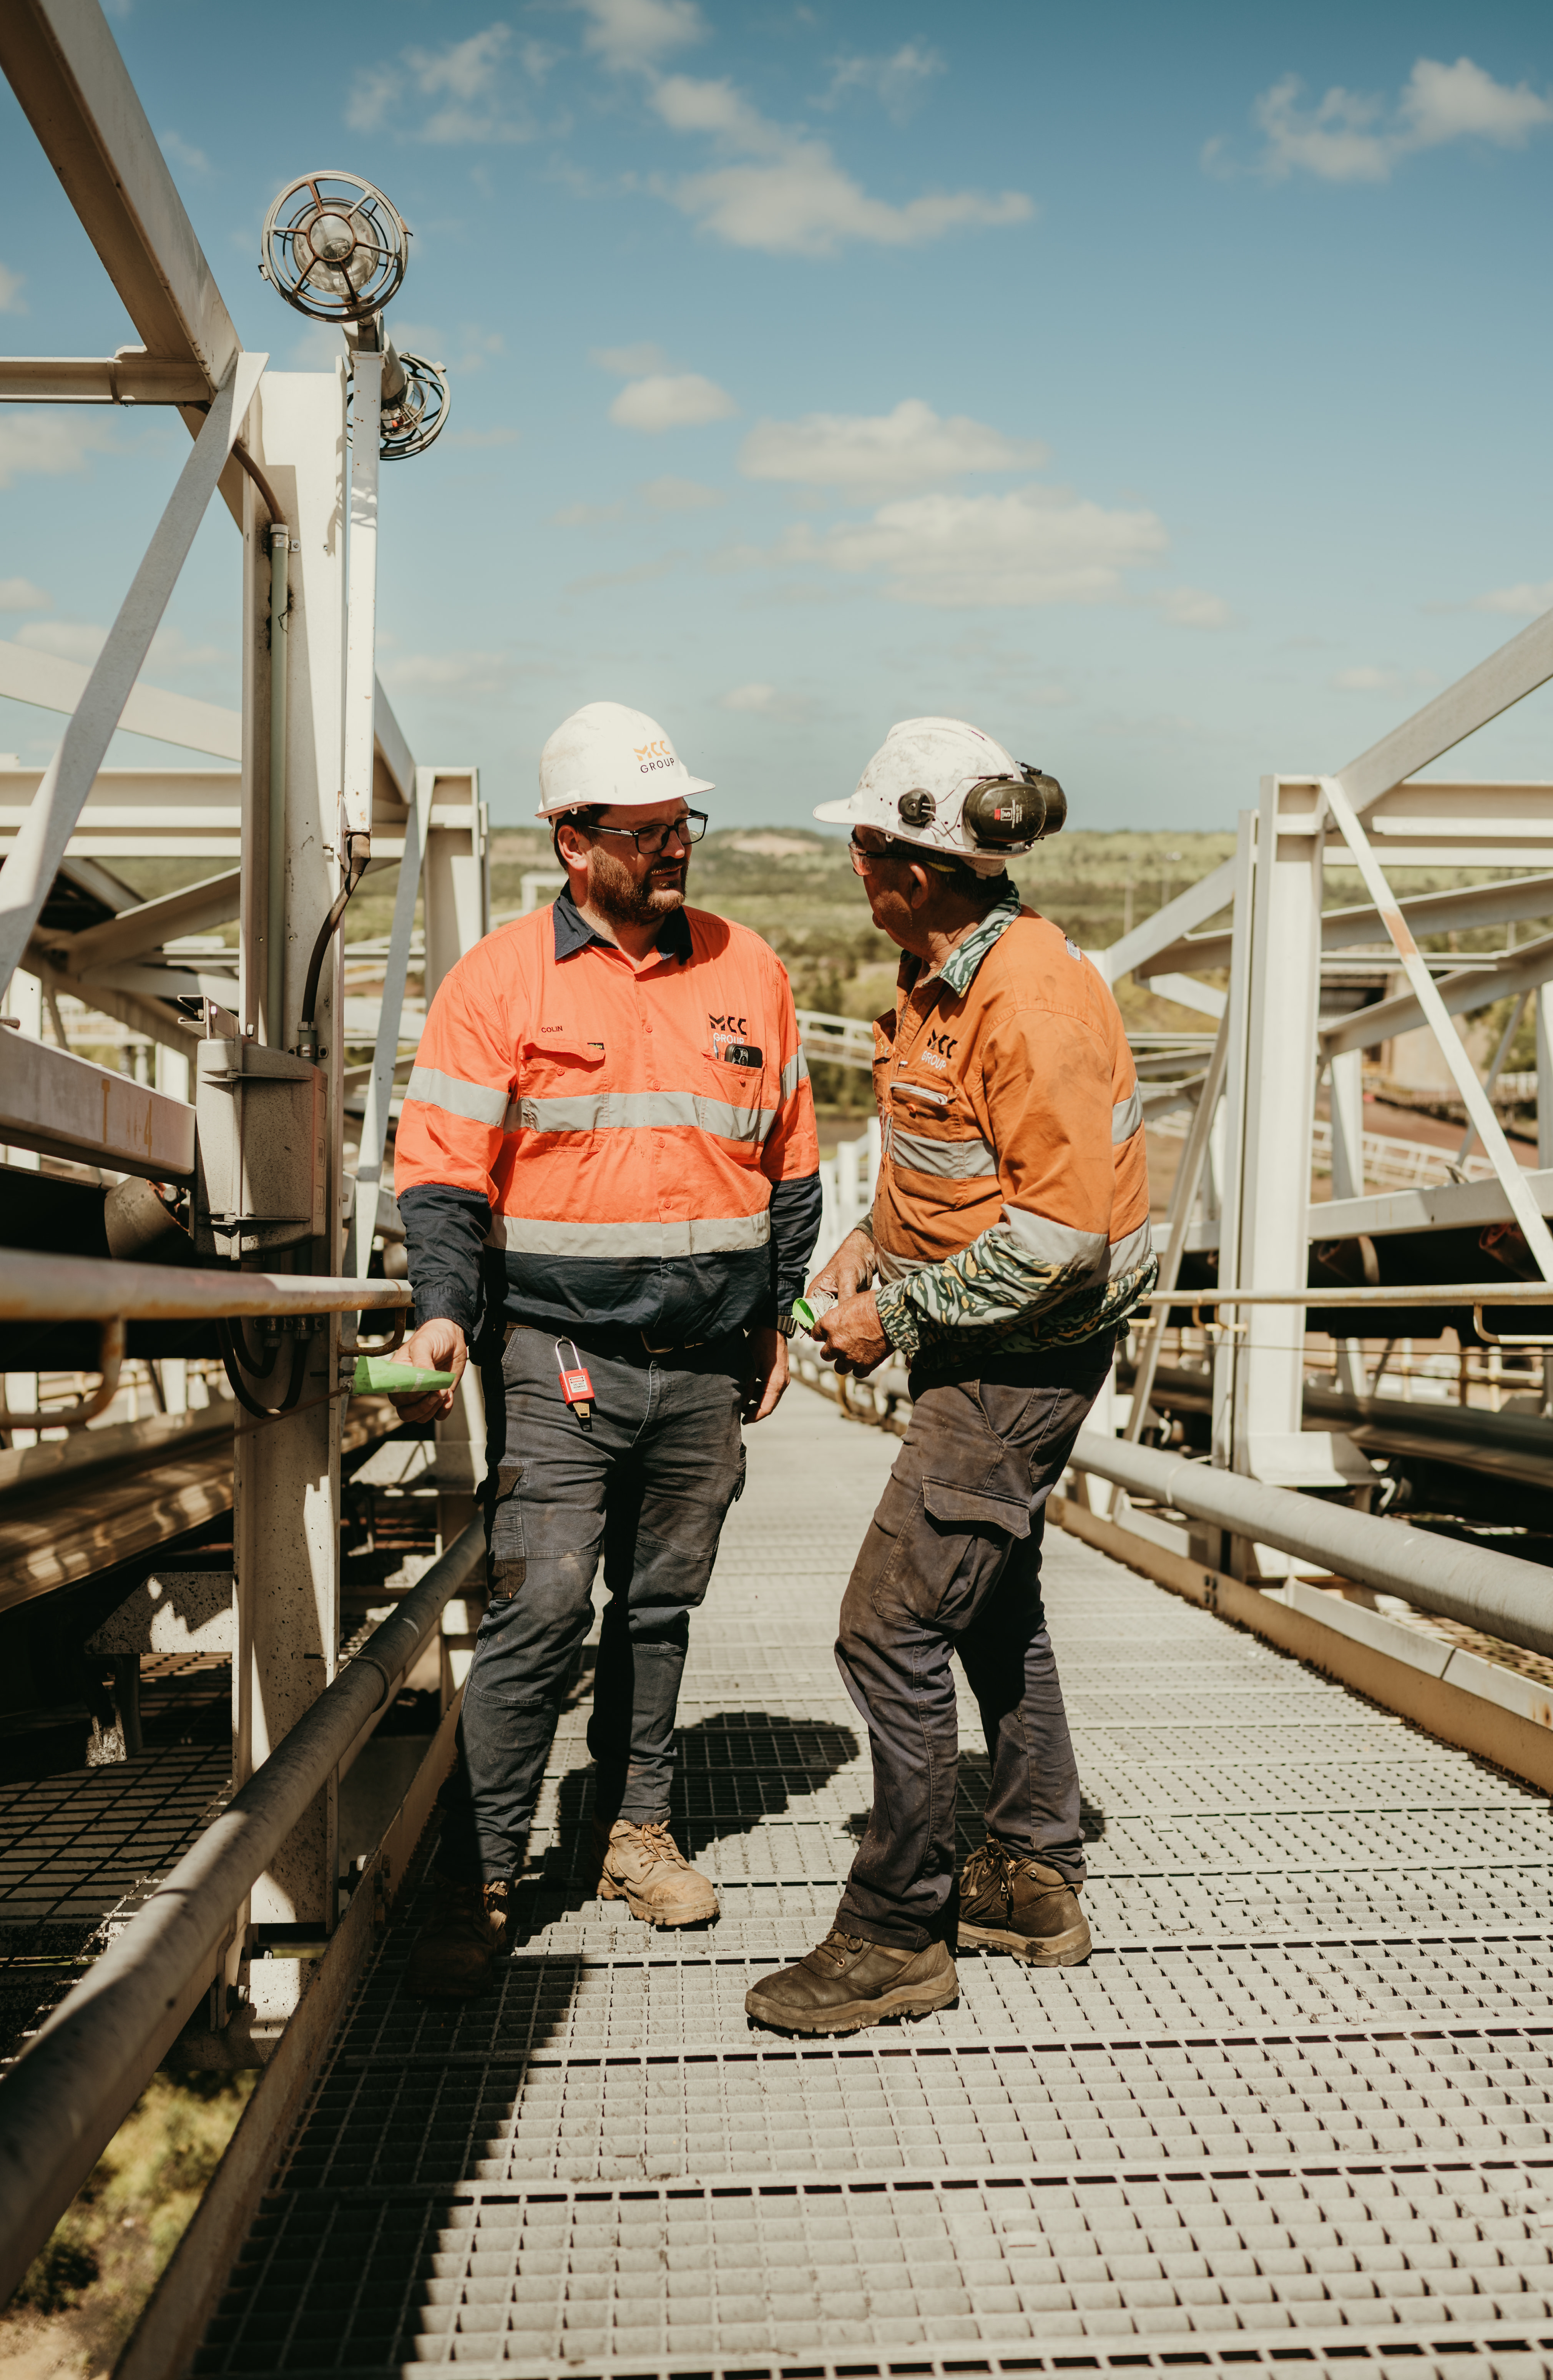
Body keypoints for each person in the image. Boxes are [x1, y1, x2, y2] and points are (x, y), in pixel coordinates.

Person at [389, 700, 821, 1997]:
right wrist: (443, 1308)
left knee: (659, 1608)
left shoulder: (748, 969)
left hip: (706, 1363)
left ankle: (634, 1833)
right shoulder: (501, 981)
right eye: (645, 830)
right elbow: (443, 1174)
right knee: (540, 1609)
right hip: (558, 1356)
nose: (674, 846)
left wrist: (776, 1313)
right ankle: (481, 1877)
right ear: (573, 843)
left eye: (683, 823)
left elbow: (791, 1167)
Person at [745, 717, 1156, 2037]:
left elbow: (1057, 1240)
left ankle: (895, 1933)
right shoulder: (945, 980)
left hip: (1017, 1359)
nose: (856, 871)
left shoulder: (1025, 1001)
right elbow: (951, 1161)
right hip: (987, 1347)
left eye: (864, 850)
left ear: (913, 870)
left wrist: (899, 1314)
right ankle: (1031, 1872)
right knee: (988, 1607)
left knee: (890, 1625)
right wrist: (869, 1246)